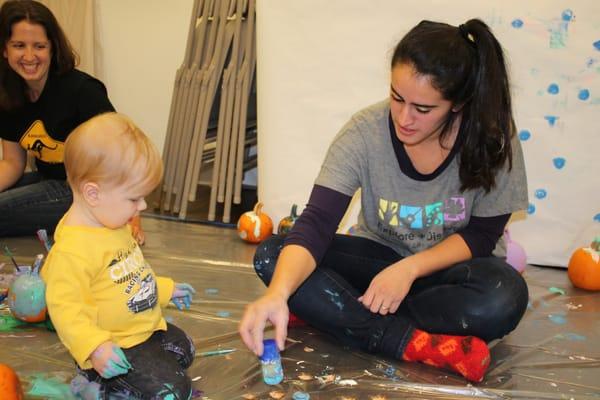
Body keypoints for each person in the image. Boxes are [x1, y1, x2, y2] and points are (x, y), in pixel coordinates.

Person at [239, 19, 529, 383]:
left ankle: (337, 309)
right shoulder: (364, 132)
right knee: (273, 256)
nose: (404, 118)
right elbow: (316, 223)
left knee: (505, 297)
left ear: (459, 104)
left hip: (449, 275)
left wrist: (408, 270)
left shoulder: (493, 138)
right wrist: (278, 294)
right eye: (396, 97)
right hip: (377, 262)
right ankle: (411, 342)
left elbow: (483, 236)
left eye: (423, 109)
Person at [41, 112, 196, 399]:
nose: (144, 205)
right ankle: (100, 376)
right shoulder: (73, 251)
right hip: (114, 344)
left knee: (185, 348)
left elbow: (129, 273)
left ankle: (137, 374)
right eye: (134, 198)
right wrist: (95, 347)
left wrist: (164, 290)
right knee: (174, 390)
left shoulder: (111, 222)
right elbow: (65, 310)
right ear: (93, 194)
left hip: (140, 331)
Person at [0, 0, 146, 243]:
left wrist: (132, 214)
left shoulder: (82, 91)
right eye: (18, 45)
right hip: (50, 182)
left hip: (87, 192)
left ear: (52, 48)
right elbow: (13, 163)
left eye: (39, 46)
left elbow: (125, 153)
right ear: (4, 50)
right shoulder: (8, 94)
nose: (29, 56)